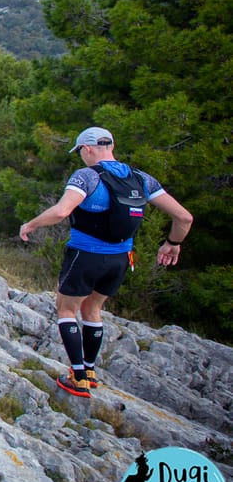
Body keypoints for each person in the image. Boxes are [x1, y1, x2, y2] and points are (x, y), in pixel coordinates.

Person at [19, 127, 193, 398]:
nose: (80, 157)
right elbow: (184, 218)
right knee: (93, 309)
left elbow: (62, 211)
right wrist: (173, 244)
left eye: (79, 152)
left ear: (87, 149)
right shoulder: (142, 179)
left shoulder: (86, 177)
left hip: (85, 254)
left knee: (67, 310)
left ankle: (77, 378)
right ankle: (89, 370)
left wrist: (30, 225)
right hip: (121, 259)